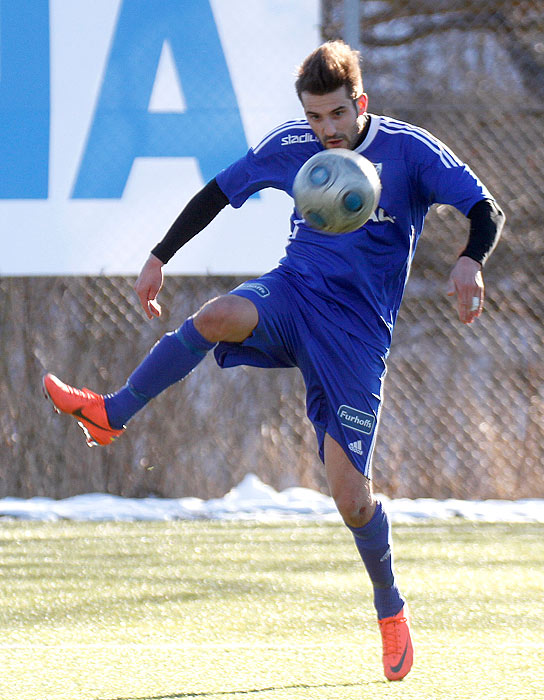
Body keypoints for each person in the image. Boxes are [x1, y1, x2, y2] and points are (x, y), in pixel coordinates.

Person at [43, 40, 504, 682]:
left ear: (359, 104)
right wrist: (158, 256)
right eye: (316, 118)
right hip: (293, 293)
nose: (327, 131)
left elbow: (486, 210)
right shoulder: (293, 144)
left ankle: (391, 609)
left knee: (350, 499)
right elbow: (218, 191)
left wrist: (469, 260)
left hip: (356, 338)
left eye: (338, 115)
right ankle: (110, 413)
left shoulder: (409, 151)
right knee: (215, 314)